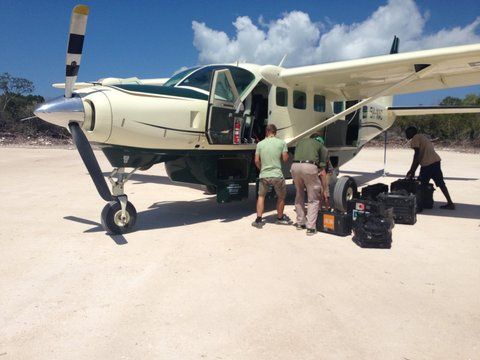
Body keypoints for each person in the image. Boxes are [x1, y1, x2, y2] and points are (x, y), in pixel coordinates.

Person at [405, 126, 455, 210]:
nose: (406, 134)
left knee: (421, 185)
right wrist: (413, 170)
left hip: (427, 165)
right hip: (435, 162)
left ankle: (419, 205)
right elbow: (419, 157)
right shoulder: (422, 137)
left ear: (412, 133)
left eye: (407, 133)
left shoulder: (415, 138)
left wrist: (412, 170)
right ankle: (450, 203)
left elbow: (416, 155)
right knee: (441, 183)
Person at [252, 124, 291, 228]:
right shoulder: (282, 143)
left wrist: (262, 169)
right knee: (281, 197)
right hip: (277, 175)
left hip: (264, 175)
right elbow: (285, 159)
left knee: (261, 196)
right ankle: (279, 218)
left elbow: (256, 160)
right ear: (275, 132)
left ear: (266, 132)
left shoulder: (260, 144)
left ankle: (259, 220)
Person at [291, 133, 329, 235]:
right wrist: (324, 189)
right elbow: (323, 168)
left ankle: (300, 223)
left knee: (299, 194)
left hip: (294, 167)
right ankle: (311, 228)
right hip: (309, 167)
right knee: (313, 198)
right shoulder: (319, 144)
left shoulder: (301, 142)